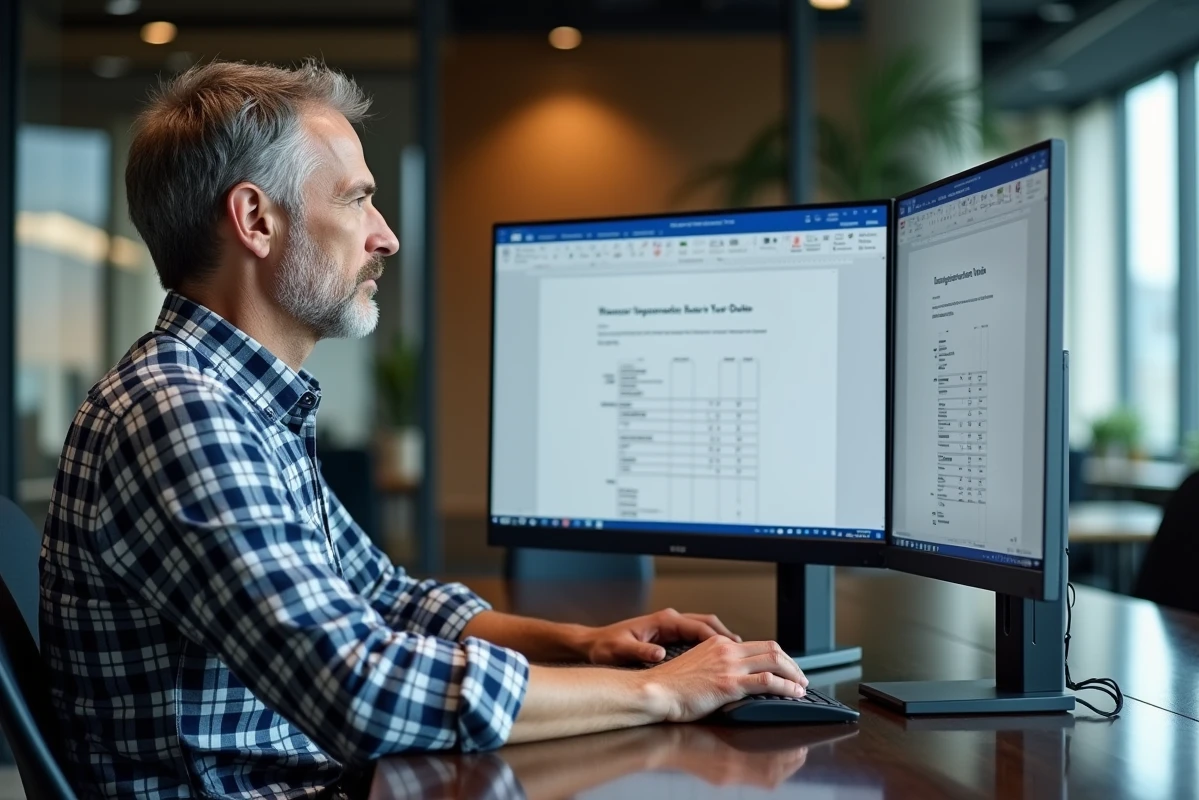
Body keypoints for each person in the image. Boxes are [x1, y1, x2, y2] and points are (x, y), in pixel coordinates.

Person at [39, 60, 808, 800]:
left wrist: (582, 644)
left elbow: (383, 597)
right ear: (255, 220)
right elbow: (361, 690)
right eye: (355, 199)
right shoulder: (180, 413)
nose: (385, 236)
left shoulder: (237, 404)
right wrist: (658, 693)